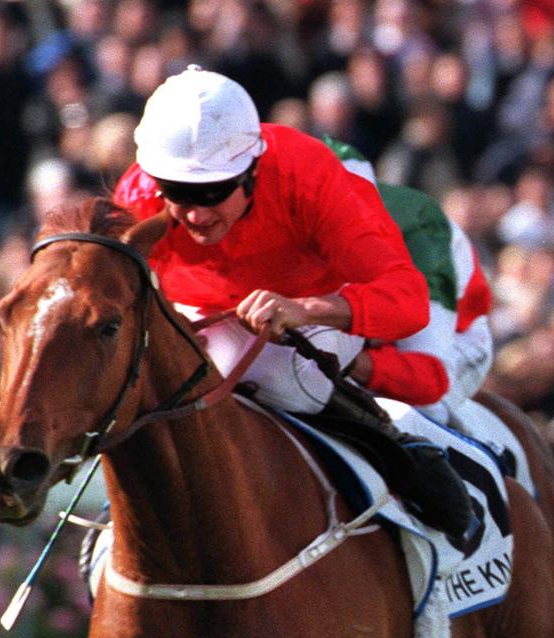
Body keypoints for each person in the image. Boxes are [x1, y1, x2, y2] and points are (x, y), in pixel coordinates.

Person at [111, 66, 478, 550]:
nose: (196, 214)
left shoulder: (309, 175)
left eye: (213, 192)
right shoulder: (138, 198)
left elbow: (408, 303)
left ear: (252, 172)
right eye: (178, 193)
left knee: (289, 379)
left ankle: (394, 444)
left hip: (314, 311)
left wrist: (305, 309)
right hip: (207, 312)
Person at [323, 136, 494, 427]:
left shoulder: (420, 232)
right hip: (371, 344)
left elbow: (429, 379)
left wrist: (350, 363)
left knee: (418, 413)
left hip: (453, 346)